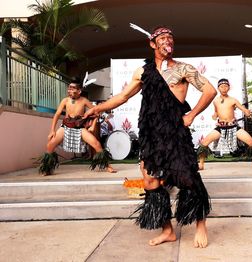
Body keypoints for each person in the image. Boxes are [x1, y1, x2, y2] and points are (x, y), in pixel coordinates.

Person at [84, 25, 217, 248]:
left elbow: (210, 90)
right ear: (152, 44)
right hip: (151, 133)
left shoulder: (184, 69)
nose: (168, 41)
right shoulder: (143, 72)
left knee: (188, 179)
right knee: (150, 180)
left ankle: (201, 225)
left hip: (175, 132)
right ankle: (168, 230)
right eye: (163, 38)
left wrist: (192, 115)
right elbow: (123, 96)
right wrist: (97, 109)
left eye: (170, 38)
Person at [38, 77, 115, 175]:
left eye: (72, 88)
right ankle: (47, 168)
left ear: (79, 91)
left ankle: (108, 166)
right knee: (50, 144)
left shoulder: (84, 100)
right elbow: (57, 114)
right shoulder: (65, 100)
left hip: (79, 127)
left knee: (96, 144)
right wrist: (52, 130)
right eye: (69, 88)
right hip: (65, 126)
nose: (69, 90)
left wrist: (93, 126)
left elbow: (97, 113)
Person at [198, 78, 252, 170]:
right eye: (221, 86)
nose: (224, 88)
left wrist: (247, 112)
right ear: (218, 88)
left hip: (233, 127)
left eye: (226, 86)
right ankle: (201, 164)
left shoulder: (233, 100)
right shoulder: (215, 101)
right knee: (204, 143)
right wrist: (214, 115)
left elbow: (243, 109)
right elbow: (216, 112)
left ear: (229, 88)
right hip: (221, 127)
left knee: (251, 142)